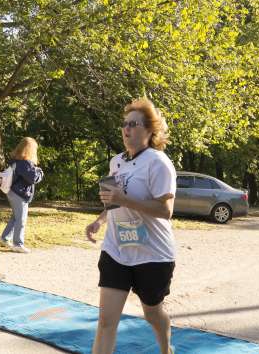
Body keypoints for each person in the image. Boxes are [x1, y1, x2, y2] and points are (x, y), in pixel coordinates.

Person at [85, 98, 177, 354]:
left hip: (152, 254)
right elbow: (113, 202)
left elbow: (165, 211)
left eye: (134, 124)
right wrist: (99, 220)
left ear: (150, 130)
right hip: (117, 250)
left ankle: (166, 349)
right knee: (105, 323)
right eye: (125, 124)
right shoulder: (116, 162)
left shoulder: (159, 163)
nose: (127, 129)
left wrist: (125, 199)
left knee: (152, 313)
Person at [0, 137, 44, 253]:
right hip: (19, 193)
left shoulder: (16, 161)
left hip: (13, 192)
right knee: (21, 219)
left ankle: (4, 238)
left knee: (15, 217)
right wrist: (40, 172)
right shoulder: (24, 163)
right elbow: (33, 178)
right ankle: (18, 244)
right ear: (29, 150)